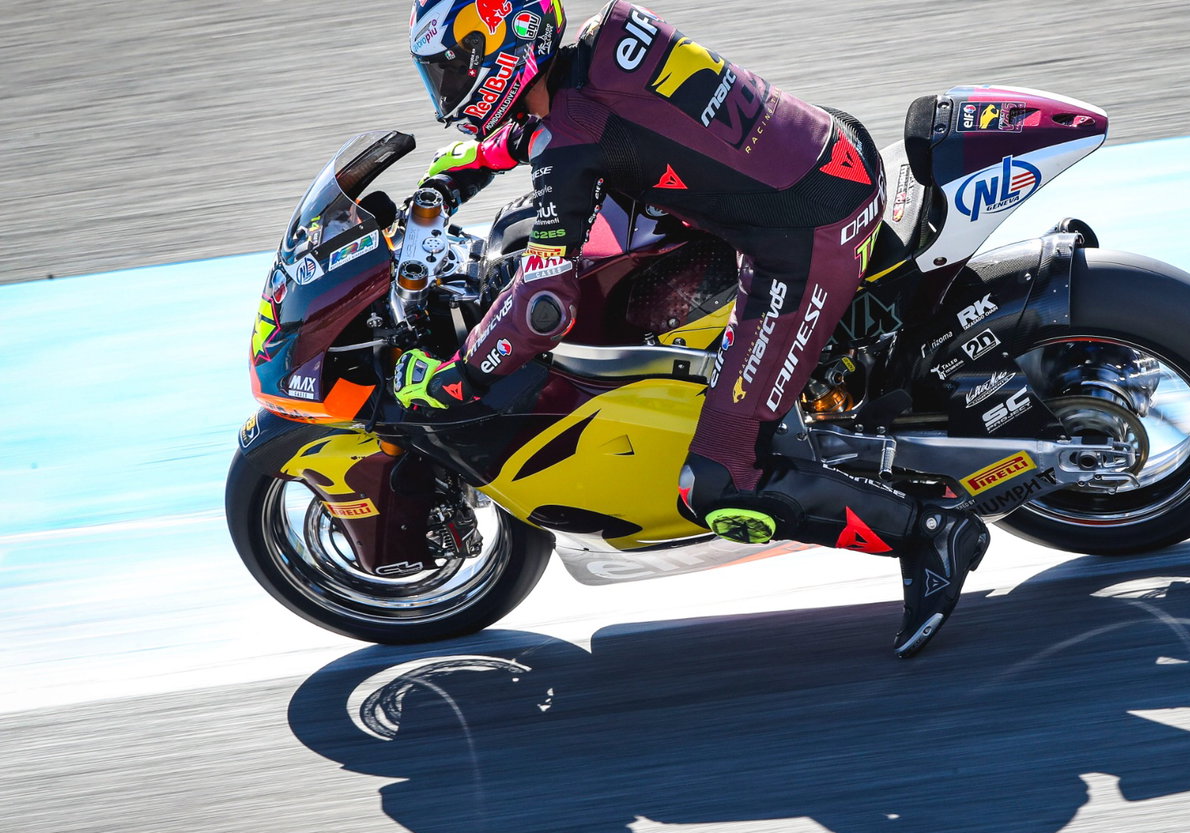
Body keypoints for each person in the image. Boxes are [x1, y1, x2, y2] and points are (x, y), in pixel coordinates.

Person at [393, 0, 988, 657]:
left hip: (803, 235)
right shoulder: (608, 33)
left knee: (719, 480)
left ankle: (930, 531)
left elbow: (543, 305)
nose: (446, 93)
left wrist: (460, 376)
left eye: (451, 72)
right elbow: (578, 128)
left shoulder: (571, 139)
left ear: (503, 52)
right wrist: (451, 177)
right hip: (826, 151)